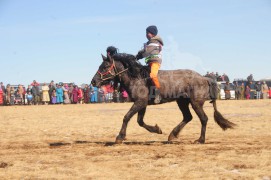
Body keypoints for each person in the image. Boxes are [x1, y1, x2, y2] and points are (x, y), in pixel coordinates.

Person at [136, 25, 164, 104]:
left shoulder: (155, 42)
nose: (146, 34)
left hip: (155, 62)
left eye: (147, 33)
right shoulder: (150, 42)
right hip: (150, 62)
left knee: (153, 75)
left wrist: (139, 55)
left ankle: (158, 93)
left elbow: (147, 51)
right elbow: (146, 50)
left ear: (152, 33)